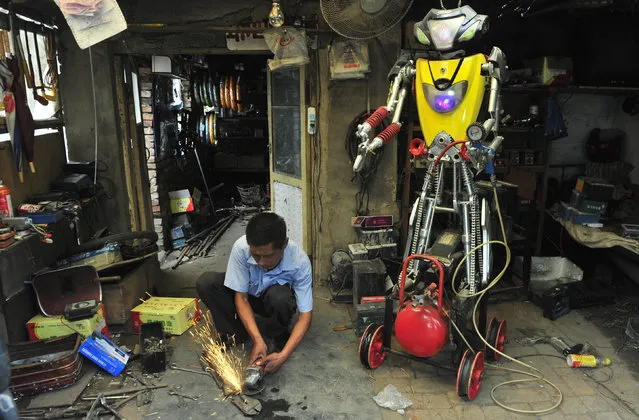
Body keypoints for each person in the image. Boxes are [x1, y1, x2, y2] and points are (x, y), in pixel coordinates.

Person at [196, 212, 312, 374]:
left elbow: (305, 316)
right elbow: (241, 297)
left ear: (284, 245)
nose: (261, 262)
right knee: (207, 282)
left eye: (268, 256)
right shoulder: (241, 247)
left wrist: (284, 355)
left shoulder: (300, 262)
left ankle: (278, 336)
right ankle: (235, 333)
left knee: (281, 298)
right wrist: (258, 340)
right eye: (256, 255)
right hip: (247, 295)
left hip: (272, 300)